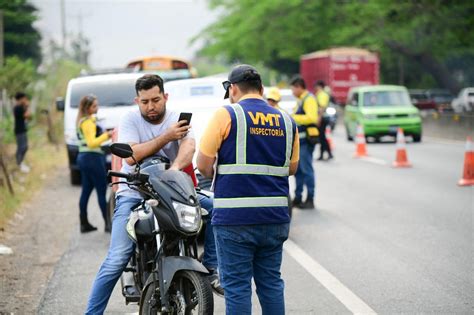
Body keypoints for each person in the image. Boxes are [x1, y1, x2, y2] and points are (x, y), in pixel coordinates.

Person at [85, 74, 221, 314]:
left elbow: (189, 146)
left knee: (218, 207)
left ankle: (211, 267)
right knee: (117, 258)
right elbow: (131, 155)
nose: (151, 106)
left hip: (172, 190)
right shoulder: (129, 119)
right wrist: (167, 136)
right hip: (134, 194)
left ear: (165, 97)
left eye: (156, 100)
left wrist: (176, 169)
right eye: (145, 101)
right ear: (137, 100)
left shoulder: (177, 117)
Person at [197, 64, 299, 314]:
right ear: (262, 89)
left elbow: (203, 165)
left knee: (237, 287)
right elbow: (292, 168)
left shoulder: (226, 115)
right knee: (271, 284)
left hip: (235, 219)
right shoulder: (287, 120)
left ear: (232, 89)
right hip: (274, 217)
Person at [76, 95, 113, 233]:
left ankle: (84, 223)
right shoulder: (88, 123)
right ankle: (108, 224)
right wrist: (107, 135)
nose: (97, 108)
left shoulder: (82, 121)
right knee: (101, 191)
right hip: (92, 158)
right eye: (94, 106)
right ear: (87, 108)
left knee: (86, 190)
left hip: (83, 158)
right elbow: (92, 143)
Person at [289, 76, 318, 209]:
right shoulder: (300, 100)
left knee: (306, 170)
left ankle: (310, 198)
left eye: (293, 89)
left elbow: (312, 118)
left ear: (299, 86)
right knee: (299, 171)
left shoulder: (309, 99)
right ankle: (298, 197)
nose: (292, 92)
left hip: (306, 140)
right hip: (300, 141)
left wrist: (294, 117)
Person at [13, 92, 32, 173]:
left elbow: (29, 117)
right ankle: (19, 163)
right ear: (21, 99)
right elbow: (27, 115)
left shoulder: (21, 107)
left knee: (24, 147)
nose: (25, 100)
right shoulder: (17, 108)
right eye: (24, 98)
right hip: (19, 130)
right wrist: (27, 106)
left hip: (22, 129)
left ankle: (20, 162)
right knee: (21, 147)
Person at [314, 80, 333, 161]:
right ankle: (323, 154)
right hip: (322, 118)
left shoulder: (322, 94)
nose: (315, 88)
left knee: (322, 137)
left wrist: (319, 118)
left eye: (316, 86)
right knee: (322, 137)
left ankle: (328, 153)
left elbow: (322, 107)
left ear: (320, 86)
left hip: (322, 118)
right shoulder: (320, 94)